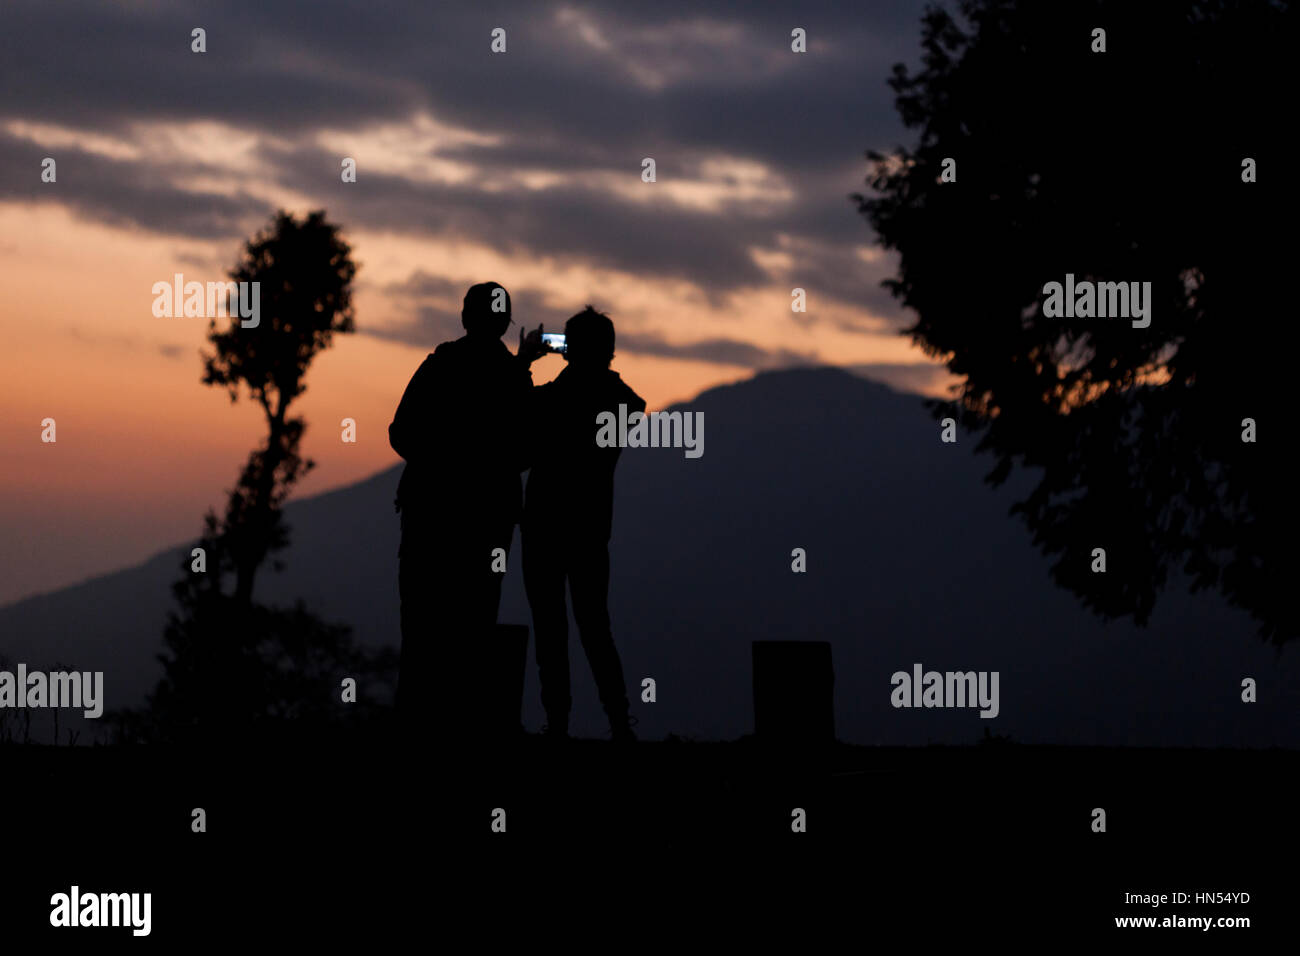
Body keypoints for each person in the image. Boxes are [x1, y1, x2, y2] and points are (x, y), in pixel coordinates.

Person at [388, 281, 545, 734]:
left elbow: (401, 432)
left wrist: (439, 465)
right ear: (503, 324)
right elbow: (527, 450)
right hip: (488, 521)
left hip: (429, 516)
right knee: (476, 619)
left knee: (420, 622)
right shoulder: (512, 379)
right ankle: (467, 726)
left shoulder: (439, 366)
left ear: (464, 317)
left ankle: (415, 722)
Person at [522, 306, 644, 742]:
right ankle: (618, 720)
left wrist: (523, 364)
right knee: (594, 625)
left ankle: (558, 723)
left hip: (544, 524)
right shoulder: (621, 400)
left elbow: (518, 417)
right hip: (591, 528)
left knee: (550, 626)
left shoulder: (558, 395)